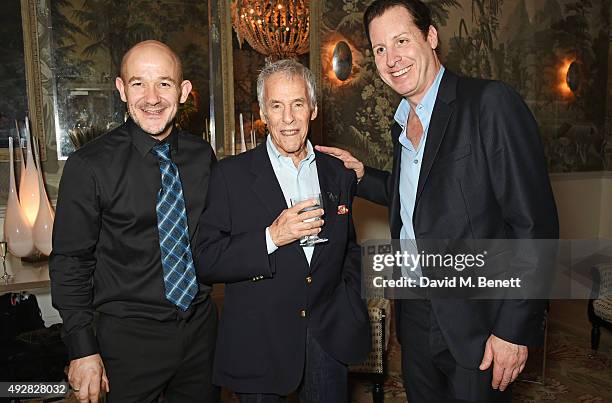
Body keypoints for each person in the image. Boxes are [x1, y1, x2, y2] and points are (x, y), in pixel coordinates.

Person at [317, 1, 559, 402]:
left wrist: (513, 329)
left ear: (430, 37)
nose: (391, 59)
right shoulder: (404, 123)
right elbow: (424, 196)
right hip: (415, 316)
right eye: (380, 49)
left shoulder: (489, 104)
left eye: (401, 40)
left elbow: (535, 225)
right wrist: (362, 176)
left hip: (478, 323)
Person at [50, 40, 218, 403]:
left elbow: (218, 240)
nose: (152, 97)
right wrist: (82, 349)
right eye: (139, 83)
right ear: (121, 89)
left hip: (200, 336)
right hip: (125, 343)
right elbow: (70, 263)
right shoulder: (88, 166)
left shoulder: (203, 158)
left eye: (164, 83)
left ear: (184, 91)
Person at [195, 59, 371, 402]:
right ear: (264, 111)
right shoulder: (229, 176)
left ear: (313, 109)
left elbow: (349, 246)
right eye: (277, 106)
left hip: (327, 338)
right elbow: (206, 260)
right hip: (258, 344)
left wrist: (349, 297)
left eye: (297, 104)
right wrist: (271, 238)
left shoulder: (338, 172)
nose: (288, 118)